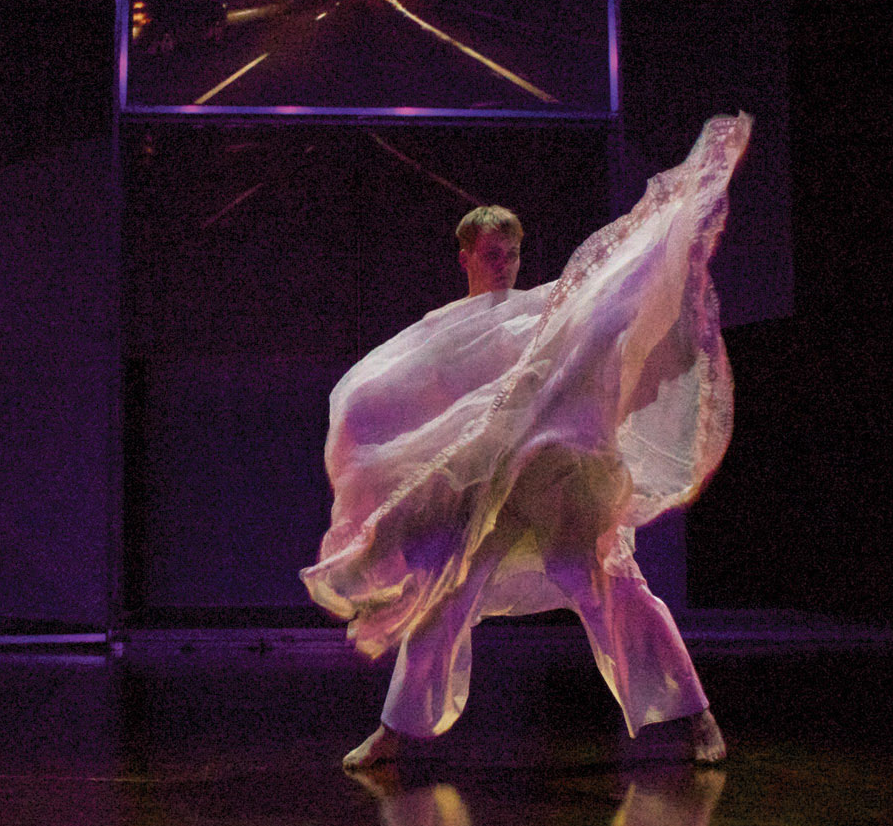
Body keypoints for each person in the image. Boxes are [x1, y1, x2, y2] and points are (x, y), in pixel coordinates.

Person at [303, 114, 750, 768]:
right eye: (492, 253)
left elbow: (605, 318)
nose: (505, 262)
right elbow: (419, 399)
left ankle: (698, 719)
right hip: (495, 494)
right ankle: (395, 734)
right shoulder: (448, 329)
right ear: (466, 257)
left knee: (614, 587)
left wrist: (669, 230)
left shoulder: (545, 306)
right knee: (446, 595)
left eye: (511, 251)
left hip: (560, 485)